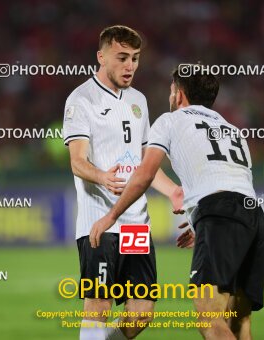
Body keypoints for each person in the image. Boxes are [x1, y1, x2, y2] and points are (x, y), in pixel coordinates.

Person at [91, 66, 264, 340]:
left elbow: (144, 173)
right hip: (253, 217)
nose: (170, 95)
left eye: (172, 90)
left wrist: (112, 215)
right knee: (239, 321)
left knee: (210, 319)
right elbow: (231, 184)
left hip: (218, 215)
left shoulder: (171, 121)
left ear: (180, 94)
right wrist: (201, 225)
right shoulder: (232, 130)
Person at [63, 25, 183, 340]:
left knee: (141, 311)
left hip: (134, 225)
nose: (130, 65)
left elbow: (146, 166)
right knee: (98, 306)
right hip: (99, 223)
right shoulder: (81, 99)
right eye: (122, 58)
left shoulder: (139, 101)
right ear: (101, 57)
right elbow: (77, 161)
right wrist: (102, 176)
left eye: (135, 58)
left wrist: (173, 191)